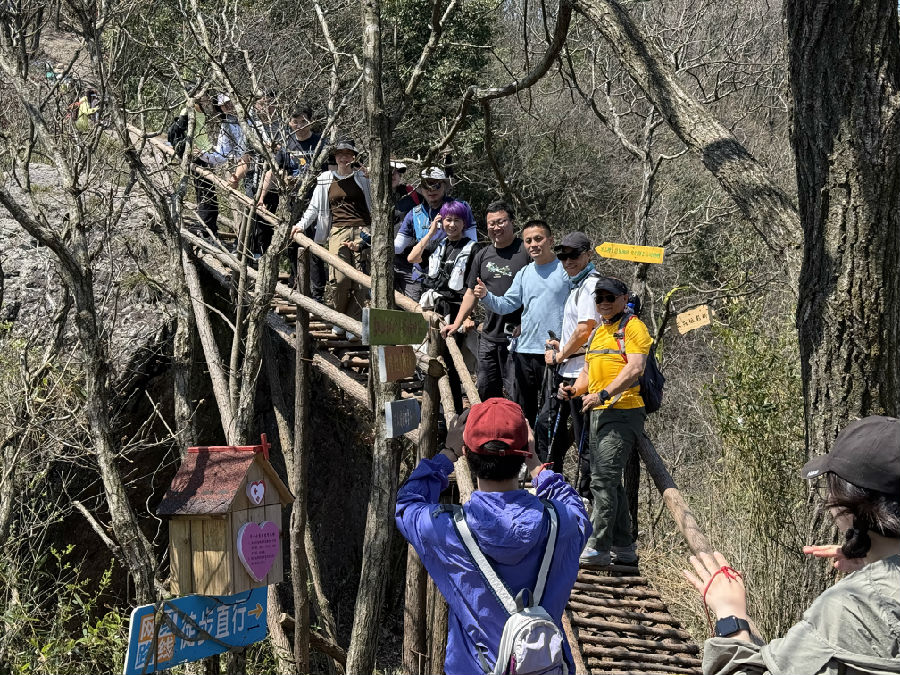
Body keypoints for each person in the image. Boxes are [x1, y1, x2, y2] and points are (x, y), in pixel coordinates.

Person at [684, 415, 900, 675]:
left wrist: (730, 617)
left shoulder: (850, 606)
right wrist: (875, 563)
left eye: (830, 489)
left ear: (852, 503)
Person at [395, 398, 591, 675]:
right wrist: (535, 462)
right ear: (522, 454)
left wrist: (446, 455)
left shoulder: (447, 530)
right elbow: (574, 505)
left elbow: (406, 504)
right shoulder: (563, 523)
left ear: (466, 452)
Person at [559, 277, 651, 566]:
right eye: (599, 299)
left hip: (623, 410)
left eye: (610, 297)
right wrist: (574, 390)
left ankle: (598, 546)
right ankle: (623, 548)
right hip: (598, 412)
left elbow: (635, 367)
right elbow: (588, 373)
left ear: (624, 298)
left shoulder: (633, 327)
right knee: (611, 481)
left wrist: (604, 394)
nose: (604, 303)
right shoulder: (598, 332)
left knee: (603, 479)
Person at [474, 220, 569, 425]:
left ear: (550, 240)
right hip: (524, 350)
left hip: (553, 353)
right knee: (523, 413)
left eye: (538, 239)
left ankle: (548, 457)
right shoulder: (525, 273)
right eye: (528, 241)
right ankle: (526, 455)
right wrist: (485, 296)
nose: (533, 244)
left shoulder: (565, 270)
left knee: (551, 414)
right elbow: (507, 304)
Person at [441, 201, 530, 402]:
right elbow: (471, 292)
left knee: (518, 396)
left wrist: (528, 324)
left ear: (512, 222)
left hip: (519, 338)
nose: (496, 227)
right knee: (487, 392)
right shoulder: (483, 255)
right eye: (491, 223)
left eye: (501, 222)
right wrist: (457, 322)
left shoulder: (525, 252)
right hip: (489, 337)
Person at [535, 232, 600, 495]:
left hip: (581, 374)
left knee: (584, 440)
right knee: (550, 429)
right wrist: (560, 345)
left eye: (574, 255)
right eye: (563, 255)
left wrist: (561, 355)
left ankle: (585, 497)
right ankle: (553, 487)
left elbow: (586, 329)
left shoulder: (592, 285)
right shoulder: (578, 285)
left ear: (588, 255)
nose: (568, 260)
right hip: (569, 370)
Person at [292, 139, 370, 335]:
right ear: (335, 157)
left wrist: (372, 177)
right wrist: (301, 225)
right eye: (340, 154)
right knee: (340, 279)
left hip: (364, 230)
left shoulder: (363, 177)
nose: (344, 158)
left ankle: (354, 321)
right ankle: (339, 317)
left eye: (348, 154)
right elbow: (315, 207)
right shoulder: (326, 178)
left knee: (361, 279)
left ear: (354, 157)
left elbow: (376, 202)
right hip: (338, 231)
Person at [410, 200, 477, 412]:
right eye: (448, 219)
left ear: (464, 223)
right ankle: (435, 408)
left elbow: (470, 286)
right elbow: (413, 257)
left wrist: (467, 317)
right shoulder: (437, 244)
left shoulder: (473, 248)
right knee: (430, 357)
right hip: (432, 310)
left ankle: (453, 411)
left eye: (457, 220)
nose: (452, 224)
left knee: (451, 362)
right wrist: (431, 233)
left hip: (455, 311)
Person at [393, 167, 476, 301]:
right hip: (421, 276)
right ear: (420, 188)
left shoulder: (460, 207)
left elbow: (472, 243)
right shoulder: (414, 213)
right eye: (426, 185)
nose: (431, 190)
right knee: (417, 315)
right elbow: (398, 247)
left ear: (444, 185)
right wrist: (370, 242)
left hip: (453, 275)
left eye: (436, 184)